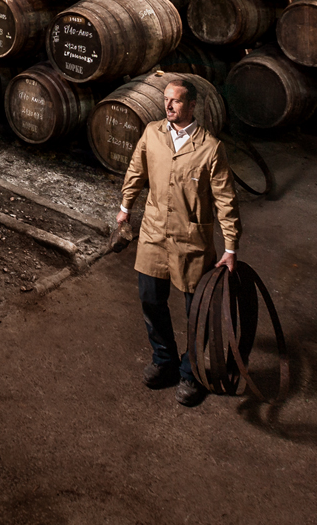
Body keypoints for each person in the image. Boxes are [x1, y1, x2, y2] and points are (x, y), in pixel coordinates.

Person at [116, 76, 241, 407]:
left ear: (192, 105)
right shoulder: (152, 134)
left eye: (176, 101)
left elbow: (226, 200)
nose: (168, 105)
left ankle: (192, 373)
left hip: (191, 241)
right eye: (166, 100)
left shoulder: (211, 148)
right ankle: (164, 361)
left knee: (195, 312)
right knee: (150, 300)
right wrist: (125, 208)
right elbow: (136, 170)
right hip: (154, 234)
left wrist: (230, 247)